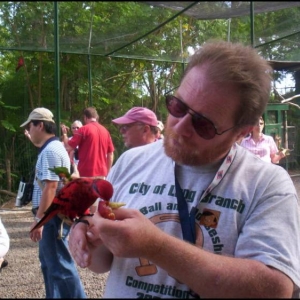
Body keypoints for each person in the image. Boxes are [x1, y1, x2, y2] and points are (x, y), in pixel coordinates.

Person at [68, 41, 300, 298]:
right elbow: (102, 262)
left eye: (203, 124)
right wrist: (87, 234)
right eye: (178, 107)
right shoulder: (131, 162)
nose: (179, 128)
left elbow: (275, 289)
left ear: (241, 133)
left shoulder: (266, 183)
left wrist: (155, 246)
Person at [20, 107, 86, 298]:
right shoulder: (53, 148)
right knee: (50, 265)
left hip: (52, 217)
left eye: (30, 126)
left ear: (40, 125)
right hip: (54, 215)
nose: (29, 131)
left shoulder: (50, 151)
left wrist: (39, 219)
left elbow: (50, 187)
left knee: (59, 267)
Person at [62, 107, 114, 179]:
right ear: (96, 117)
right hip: (102, 174)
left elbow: (68, 147)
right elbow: (110, 154)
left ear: (85, 117)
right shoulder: (106, 131)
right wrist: (107, 172)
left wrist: (64, 134)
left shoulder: (83, 130)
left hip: (85, 173)